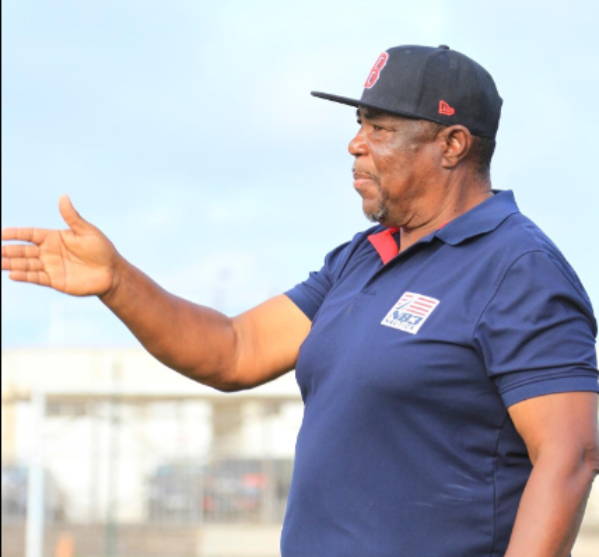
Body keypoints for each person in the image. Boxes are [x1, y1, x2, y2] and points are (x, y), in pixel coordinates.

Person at [2, 44, 598, 557]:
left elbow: (569, 454)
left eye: (380, 129)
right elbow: (234, 350)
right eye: (359, 123)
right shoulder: (363, 257)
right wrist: (117, 281)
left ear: (452, 144)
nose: (355, 144)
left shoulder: (518, 269)